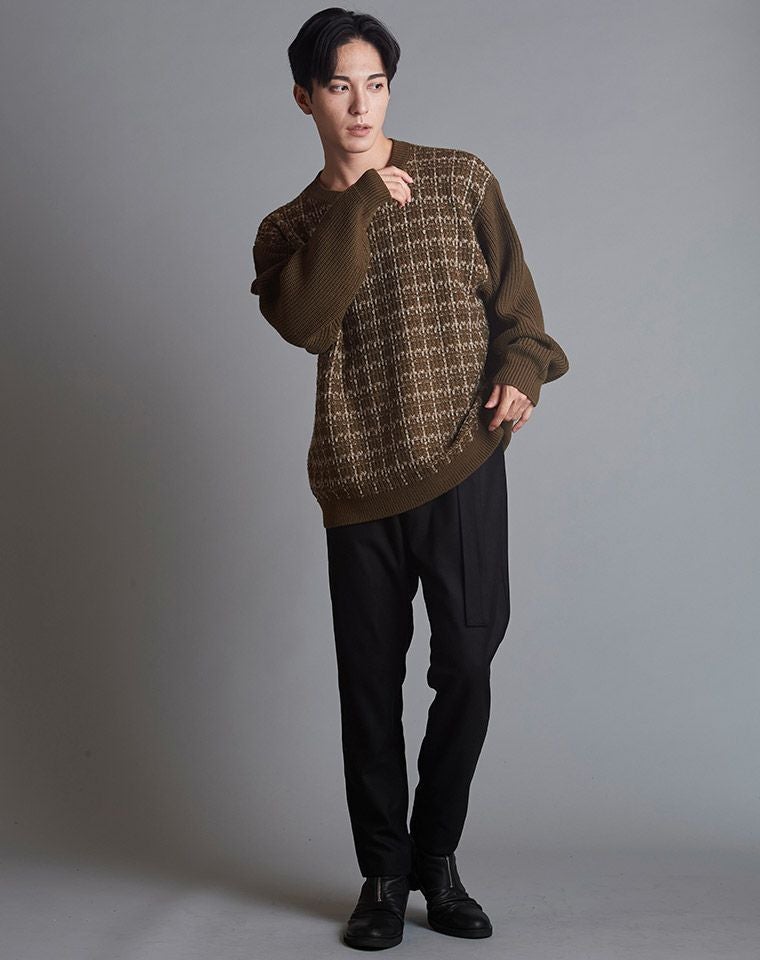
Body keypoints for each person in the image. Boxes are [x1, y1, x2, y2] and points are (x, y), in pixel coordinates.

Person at [250, 7, 569, 950]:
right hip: (357, 478)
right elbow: (304, 321)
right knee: (369, 686)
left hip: (460, 459)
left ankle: (437, 858)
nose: (360, 105)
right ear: (304, 98)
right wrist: (357, 205)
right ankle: (384, 876)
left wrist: (520, 376)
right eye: (339, 86)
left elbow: (523, 316)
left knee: (466, 662)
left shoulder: (460, 178)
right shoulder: (287, 229)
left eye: (376, 84)